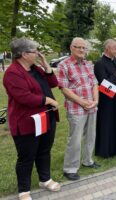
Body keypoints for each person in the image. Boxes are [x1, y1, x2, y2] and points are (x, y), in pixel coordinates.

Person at [3, 38, 60, 200]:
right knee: (26, 156)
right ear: (24, 54)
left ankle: (45, 179)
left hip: (46, 117)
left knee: (44, 150)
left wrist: (46, 65)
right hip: (26, 121)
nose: (38, 54)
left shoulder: (35, 68)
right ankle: (24, 190)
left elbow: (53, 83)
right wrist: (48, 100)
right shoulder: (12, 73)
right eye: (34, 51)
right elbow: (24, 97)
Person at [57, 37, 100, 181]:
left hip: (91, 107)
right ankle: (70, 169)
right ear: (71, 47)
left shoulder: (88, 64)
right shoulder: (64, 65)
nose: (82, 50)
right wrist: (83, 102)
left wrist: (95, 101)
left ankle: (88, 161)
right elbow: (64, 89)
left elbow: (94, 83)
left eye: (84, 48)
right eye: (78, 47)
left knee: (91, 135)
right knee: (74, 139)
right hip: (76, 109)